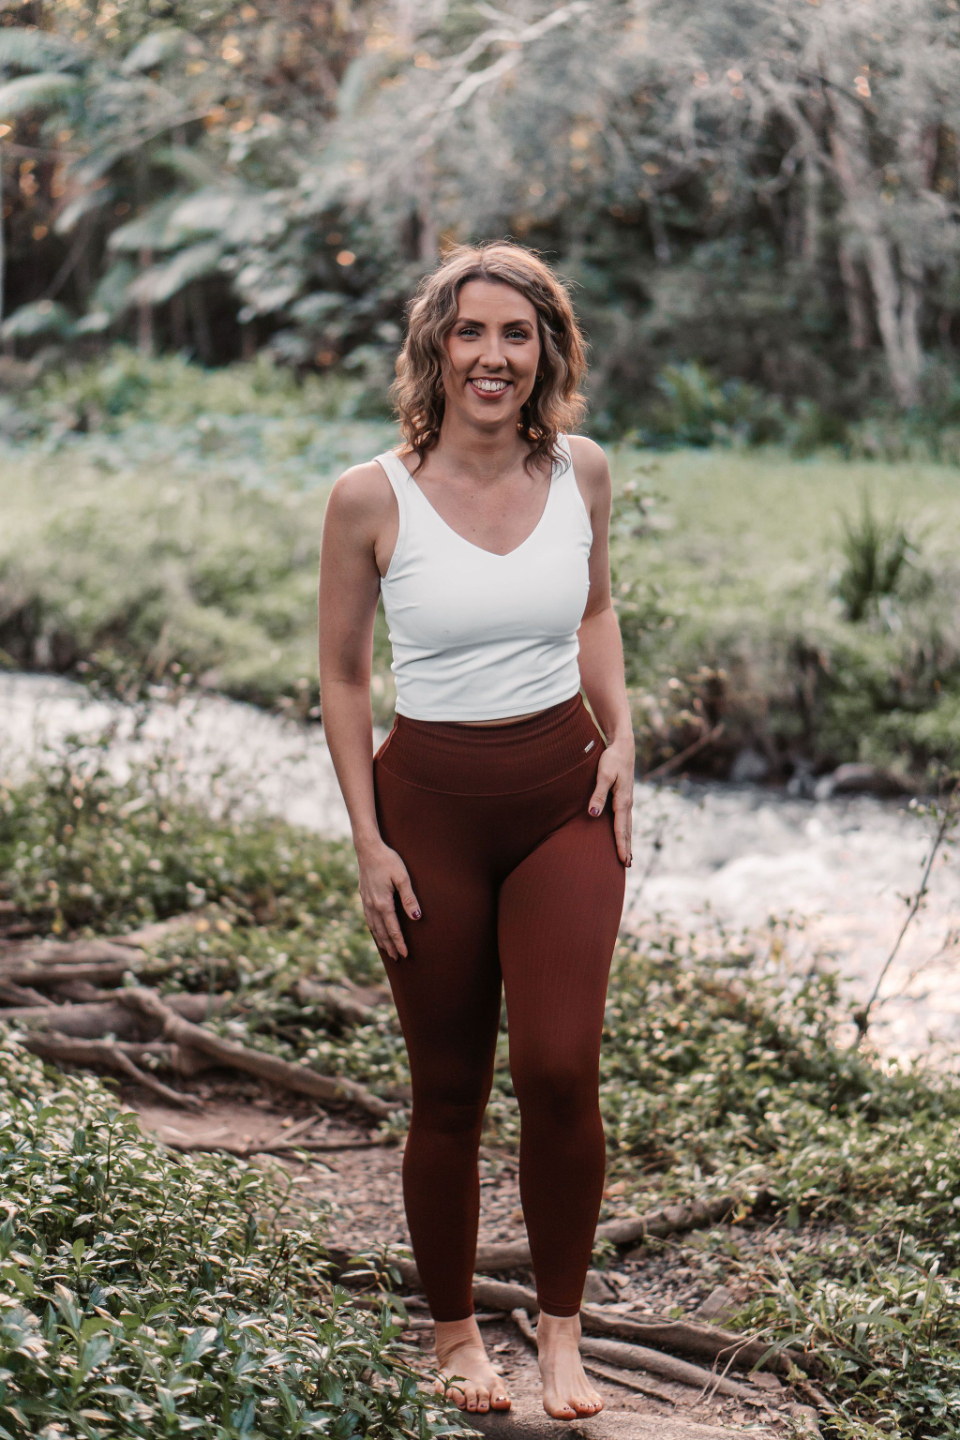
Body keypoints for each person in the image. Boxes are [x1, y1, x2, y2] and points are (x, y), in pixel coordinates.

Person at [318, 240, 633, 1421]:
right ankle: (455, 1336)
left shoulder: (583, 472)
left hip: (566, 803)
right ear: (435, 349)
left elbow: (596, 610)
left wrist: (625, 735)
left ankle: (561, 1333)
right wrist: (369, 840)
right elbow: (345, 678)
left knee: (559, 1069)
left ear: (546, 350)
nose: (493, 356)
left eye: (517, 334)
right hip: (429, 817)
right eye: (471, 332)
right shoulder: (370, 496)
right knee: (448, 1089)